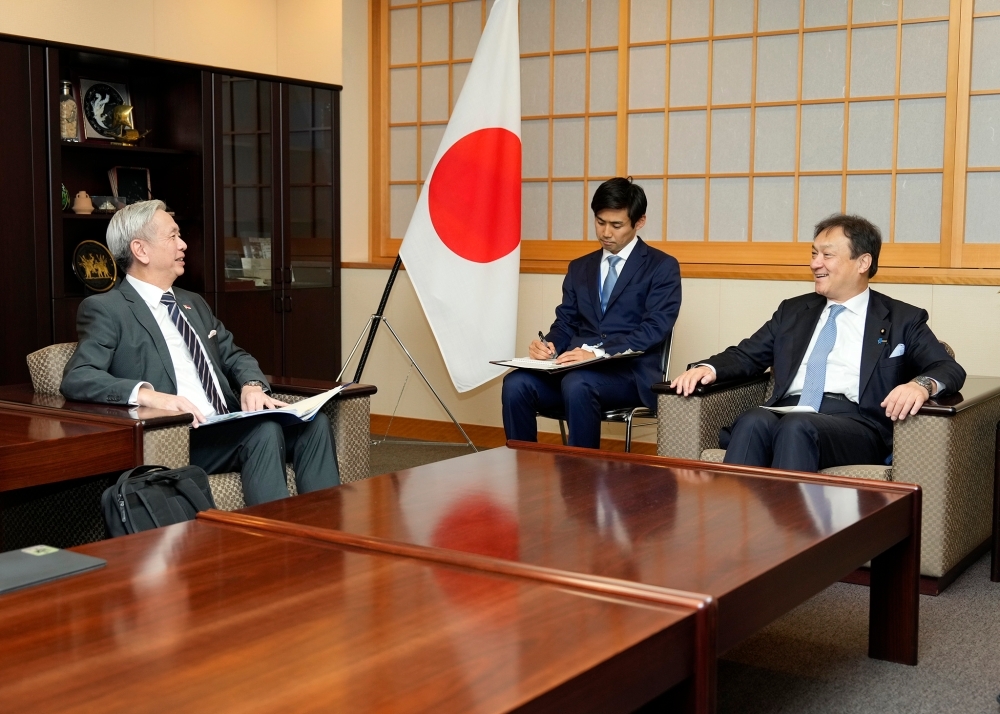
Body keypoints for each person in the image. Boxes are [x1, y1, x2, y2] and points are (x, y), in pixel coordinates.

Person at [61, 200, 339, 505]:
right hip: (183, 436)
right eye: (172, 236)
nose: (183, 245)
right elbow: (79, 376)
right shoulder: (107, 309)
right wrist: (150, 395)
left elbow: (235, 355)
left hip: (229, 422)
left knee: (314, 425)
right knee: (263, 430)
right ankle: (275, 544)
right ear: (141, 250)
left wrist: (252, 385)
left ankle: (325, 533)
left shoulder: (193, 302)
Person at [670, 213, 965, 473]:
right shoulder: (794, 311)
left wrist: (919, 385)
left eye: (827, 255)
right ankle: (731, 530)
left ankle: (794, 534)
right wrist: (708, 368)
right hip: (789, 409)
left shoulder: (902, 318)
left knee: (797, 427)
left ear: (863, 262)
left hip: (856, 423)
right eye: (813, 254)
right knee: (752, 420)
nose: (815, 264)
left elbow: (947, 367)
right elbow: (747, 354)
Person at [501, 178, 681, 448]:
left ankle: (581, 479)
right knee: (516, 383)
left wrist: (598, 352)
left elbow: (655, 328)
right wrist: (550, 345)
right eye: (600, 222)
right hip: (574, 372)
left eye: (616, 225)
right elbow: (566, 322)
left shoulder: (661, 266)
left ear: (639, 222)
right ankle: (522, 471)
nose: (606, 232)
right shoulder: (579, 268)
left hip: (629, 375)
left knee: (578, 383)